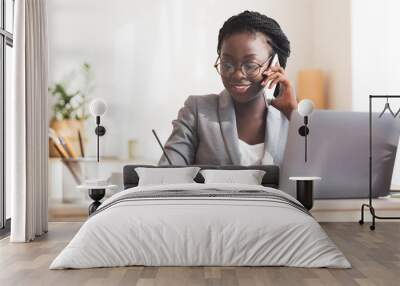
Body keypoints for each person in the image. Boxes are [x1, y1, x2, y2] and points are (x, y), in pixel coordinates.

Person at [158, 10, 298, 167]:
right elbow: (167, 172)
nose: (237, 75)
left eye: (250, 65)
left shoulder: (290, 117)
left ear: (274, 65)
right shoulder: (197, 111)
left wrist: (294, 115)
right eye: (227, 64)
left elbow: (318, 176)